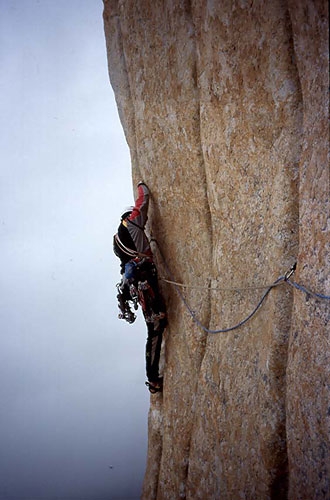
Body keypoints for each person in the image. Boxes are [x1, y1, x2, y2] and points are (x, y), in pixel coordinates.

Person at [113, 182, 167, 394]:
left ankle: (153, 378)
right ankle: (152, 379)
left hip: (138, 285)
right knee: (155, 328)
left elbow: (124, 267)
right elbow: (142, 202)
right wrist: (142, 186)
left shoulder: (116, 241)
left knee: (154, 327)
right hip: (145, 280)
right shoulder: (131, 223)